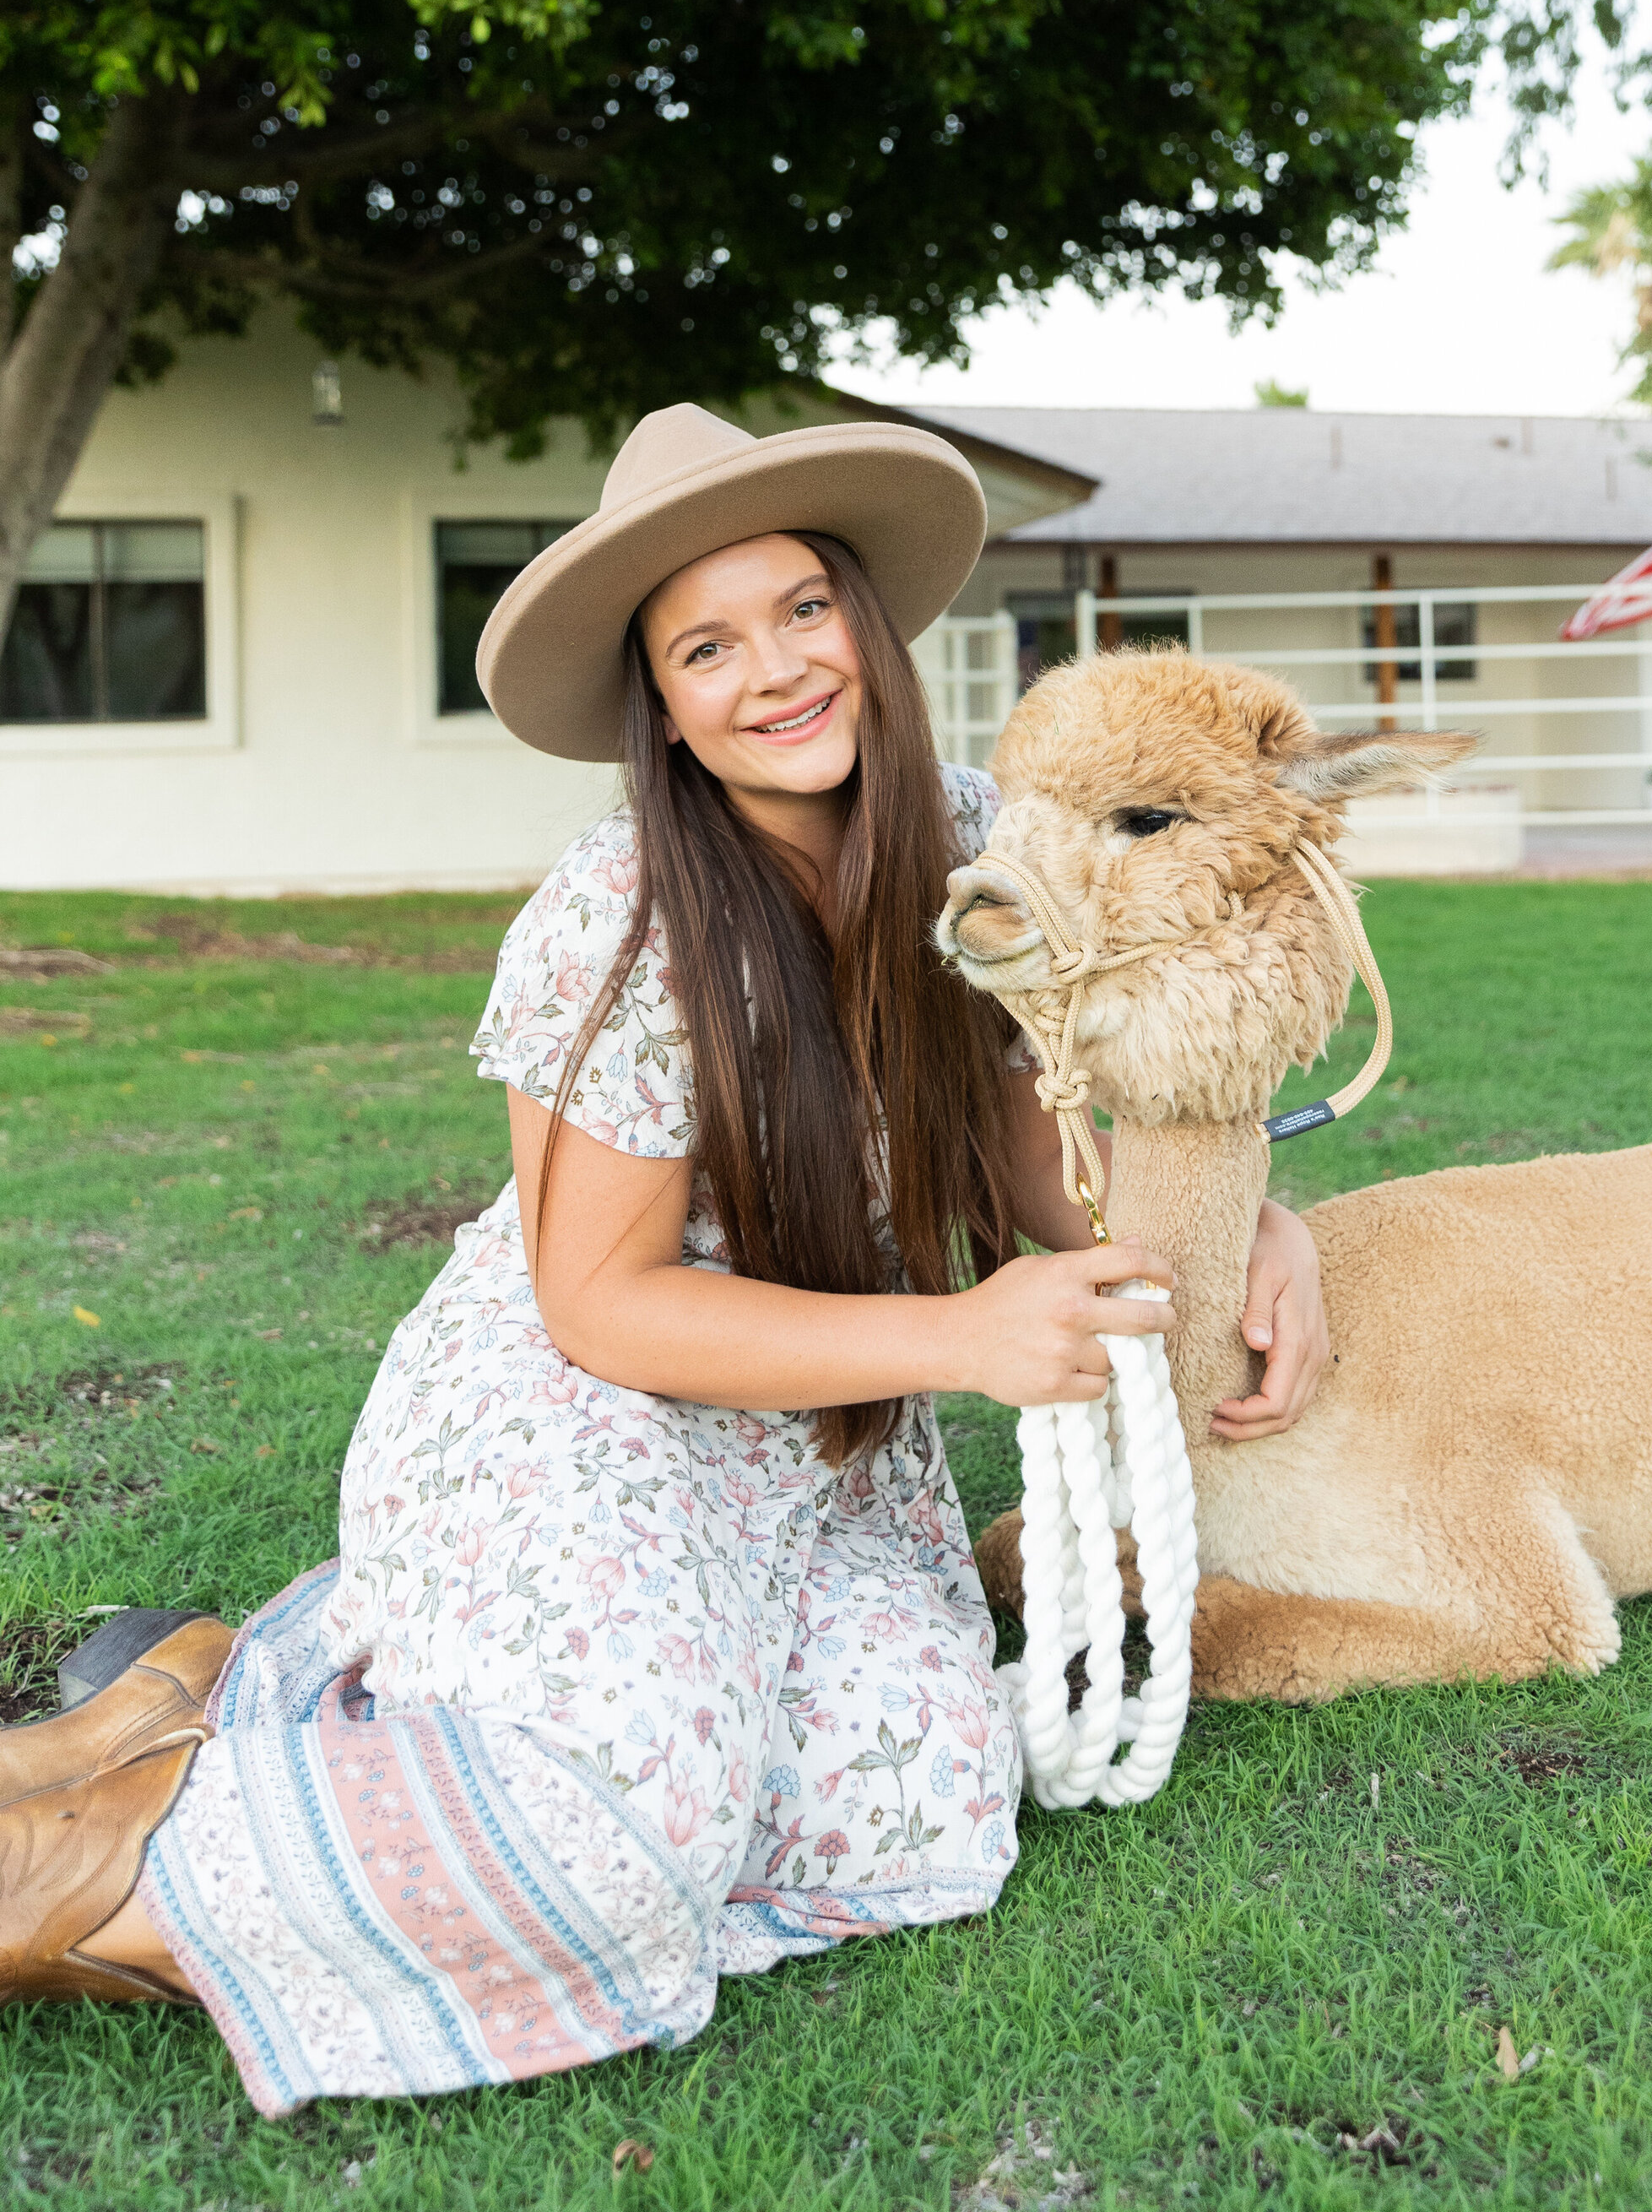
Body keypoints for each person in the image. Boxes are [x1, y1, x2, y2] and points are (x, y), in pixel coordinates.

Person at [0, 403, 1328, 2109]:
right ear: (663, 702)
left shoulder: (984, 843)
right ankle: (86, 1861)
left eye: (799, 609)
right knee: (626, 1841)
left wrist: (1249, 1216)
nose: (771, 670)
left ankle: (227, 1689)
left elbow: (1039, 1155)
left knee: (929, 1816)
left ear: (864, 616)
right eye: (706, 646)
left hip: (814, 1446)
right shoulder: (621, 911)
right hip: (582, 1406)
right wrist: (962, 1343)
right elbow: (600, 1300)